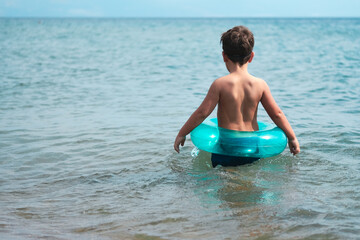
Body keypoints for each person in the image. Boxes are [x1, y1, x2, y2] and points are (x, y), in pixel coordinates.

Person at [174, 26, 300, 167]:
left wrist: (182, 133)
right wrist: (292, 137)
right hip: (252, 146)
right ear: (251, 56)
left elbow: (202, 113)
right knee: (249, 183)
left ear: (224, 56)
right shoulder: (260, 84)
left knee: (226, 182)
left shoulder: (220, 84)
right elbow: (277, 114)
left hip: (227, 145)